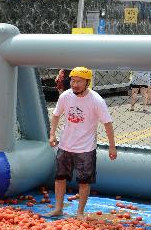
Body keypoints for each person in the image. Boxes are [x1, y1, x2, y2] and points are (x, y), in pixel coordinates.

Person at [47, 66, 117, 218]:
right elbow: (56, 115)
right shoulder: (65, 96)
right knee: (60, 178)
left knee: (84, 181)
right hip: (65, 145)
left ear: (87, 82)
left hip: (85, 148)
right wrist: (52, 134)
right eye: (72, 80)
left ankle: (80, 212)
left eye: (79, 81)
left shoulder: (96, 100)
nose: (74, 84)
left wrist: (112, 147)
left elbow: (107, 123)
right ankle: (58, 208)